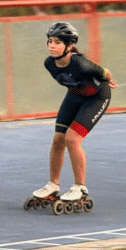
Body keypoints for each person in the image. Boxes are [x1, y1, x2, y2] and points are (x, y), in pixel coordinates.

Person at [31, 21, 117, 205]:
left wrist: (110, 80)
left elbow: (106, 72)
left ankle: (80, 187)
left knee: (72, 139)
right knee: (57, 140)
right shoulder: (49, 64)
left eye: (57, 42)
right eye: (50, 41)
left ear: (69, 46)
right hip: (75, 96)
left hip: (96, 97)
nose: (52, 46)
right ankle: (53, 185)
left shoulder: (81, 63)